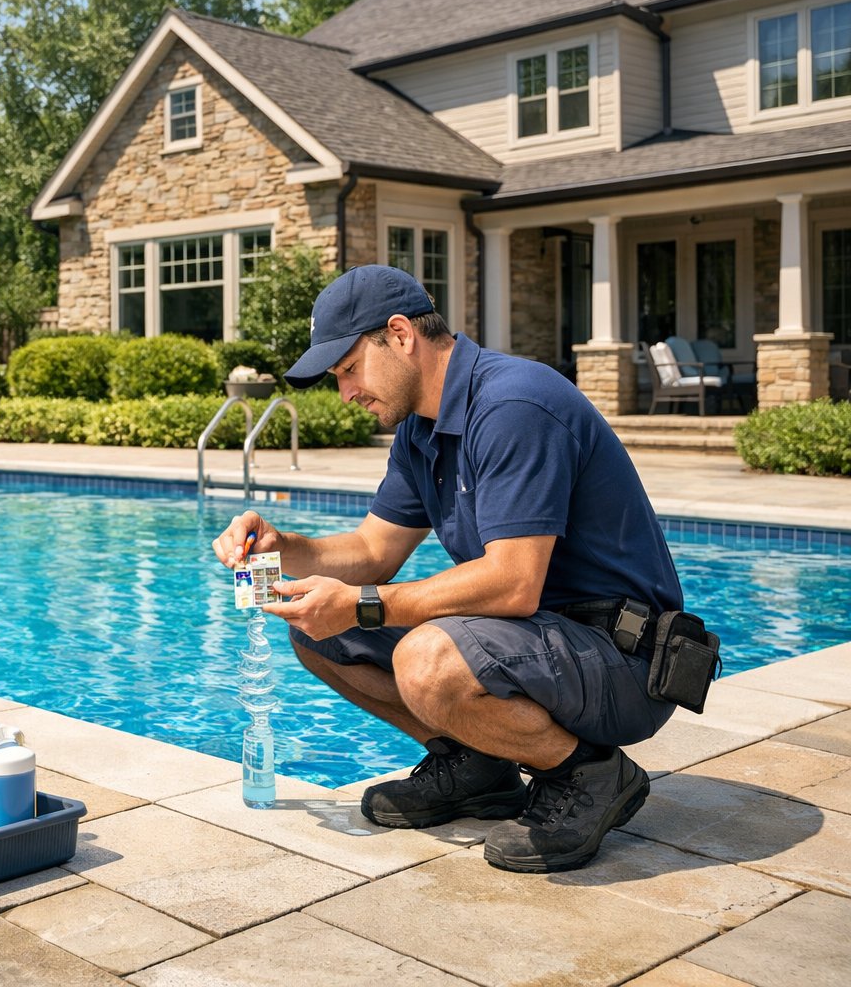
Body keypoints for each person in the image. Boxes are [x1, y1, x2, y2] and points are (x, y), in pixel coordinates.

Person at [212, 264, 684, 873]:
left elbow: (513, 583)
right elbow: (372, 550)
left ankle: (587, 774)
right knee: (318, 632)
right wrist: (283, 546)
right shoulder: (422, 429)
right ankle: (478, 767)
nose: (346, 393)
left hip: (623, 658)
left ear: (401, 336)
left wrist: (362, 603)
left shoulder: (514, 404)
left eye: (349, 369)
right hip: (543, 641)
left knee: (426, 657)